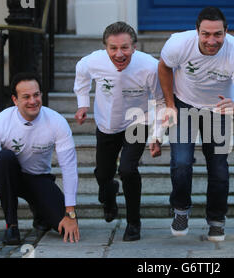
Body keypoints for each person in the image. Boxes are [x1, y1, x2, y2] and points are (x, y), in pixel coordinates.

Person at [158, 7, 234, 242]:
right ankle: (181, 211)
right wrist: (170, 104)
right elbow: (163, 67)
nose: (212, 41)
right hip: (184, 104)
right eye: (206, 34)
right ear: (197, 31)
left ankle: (216, 220)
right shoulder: (178, 44)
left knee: (218, 167)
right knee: (181, 162)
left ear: (226, 32)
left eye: (218, 34)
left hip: (218, 109)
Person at [73, 21, 165, 241]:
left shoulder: (150, 66)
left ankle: (134, 222)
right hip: (107, 124)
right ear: (105, 48)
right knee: (103, 174)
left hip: (137, 122)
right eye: (113, 48)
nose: (119, 53)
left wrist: (157, 135)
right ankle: (109, 195)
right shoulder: (92, 61)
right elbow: (81, 75)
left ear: (134, 46)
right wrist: (82, 103)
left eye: (125, 47)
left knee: (127, 169)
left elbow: (159, 101)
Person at [0, 72, 80, 245]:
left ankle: (40, 214)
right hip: (6, 174)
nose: (33, 101)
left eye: (36, 95)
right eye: (26, 97)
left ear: (41, 95)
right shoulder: (0, 122)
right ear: (15, 100)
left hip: (38, 178)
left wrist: (70, 213)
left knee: (67, 228)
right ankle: (11, 225)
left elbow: (69, 168)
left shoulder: (57, 122)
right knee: (4, 158)